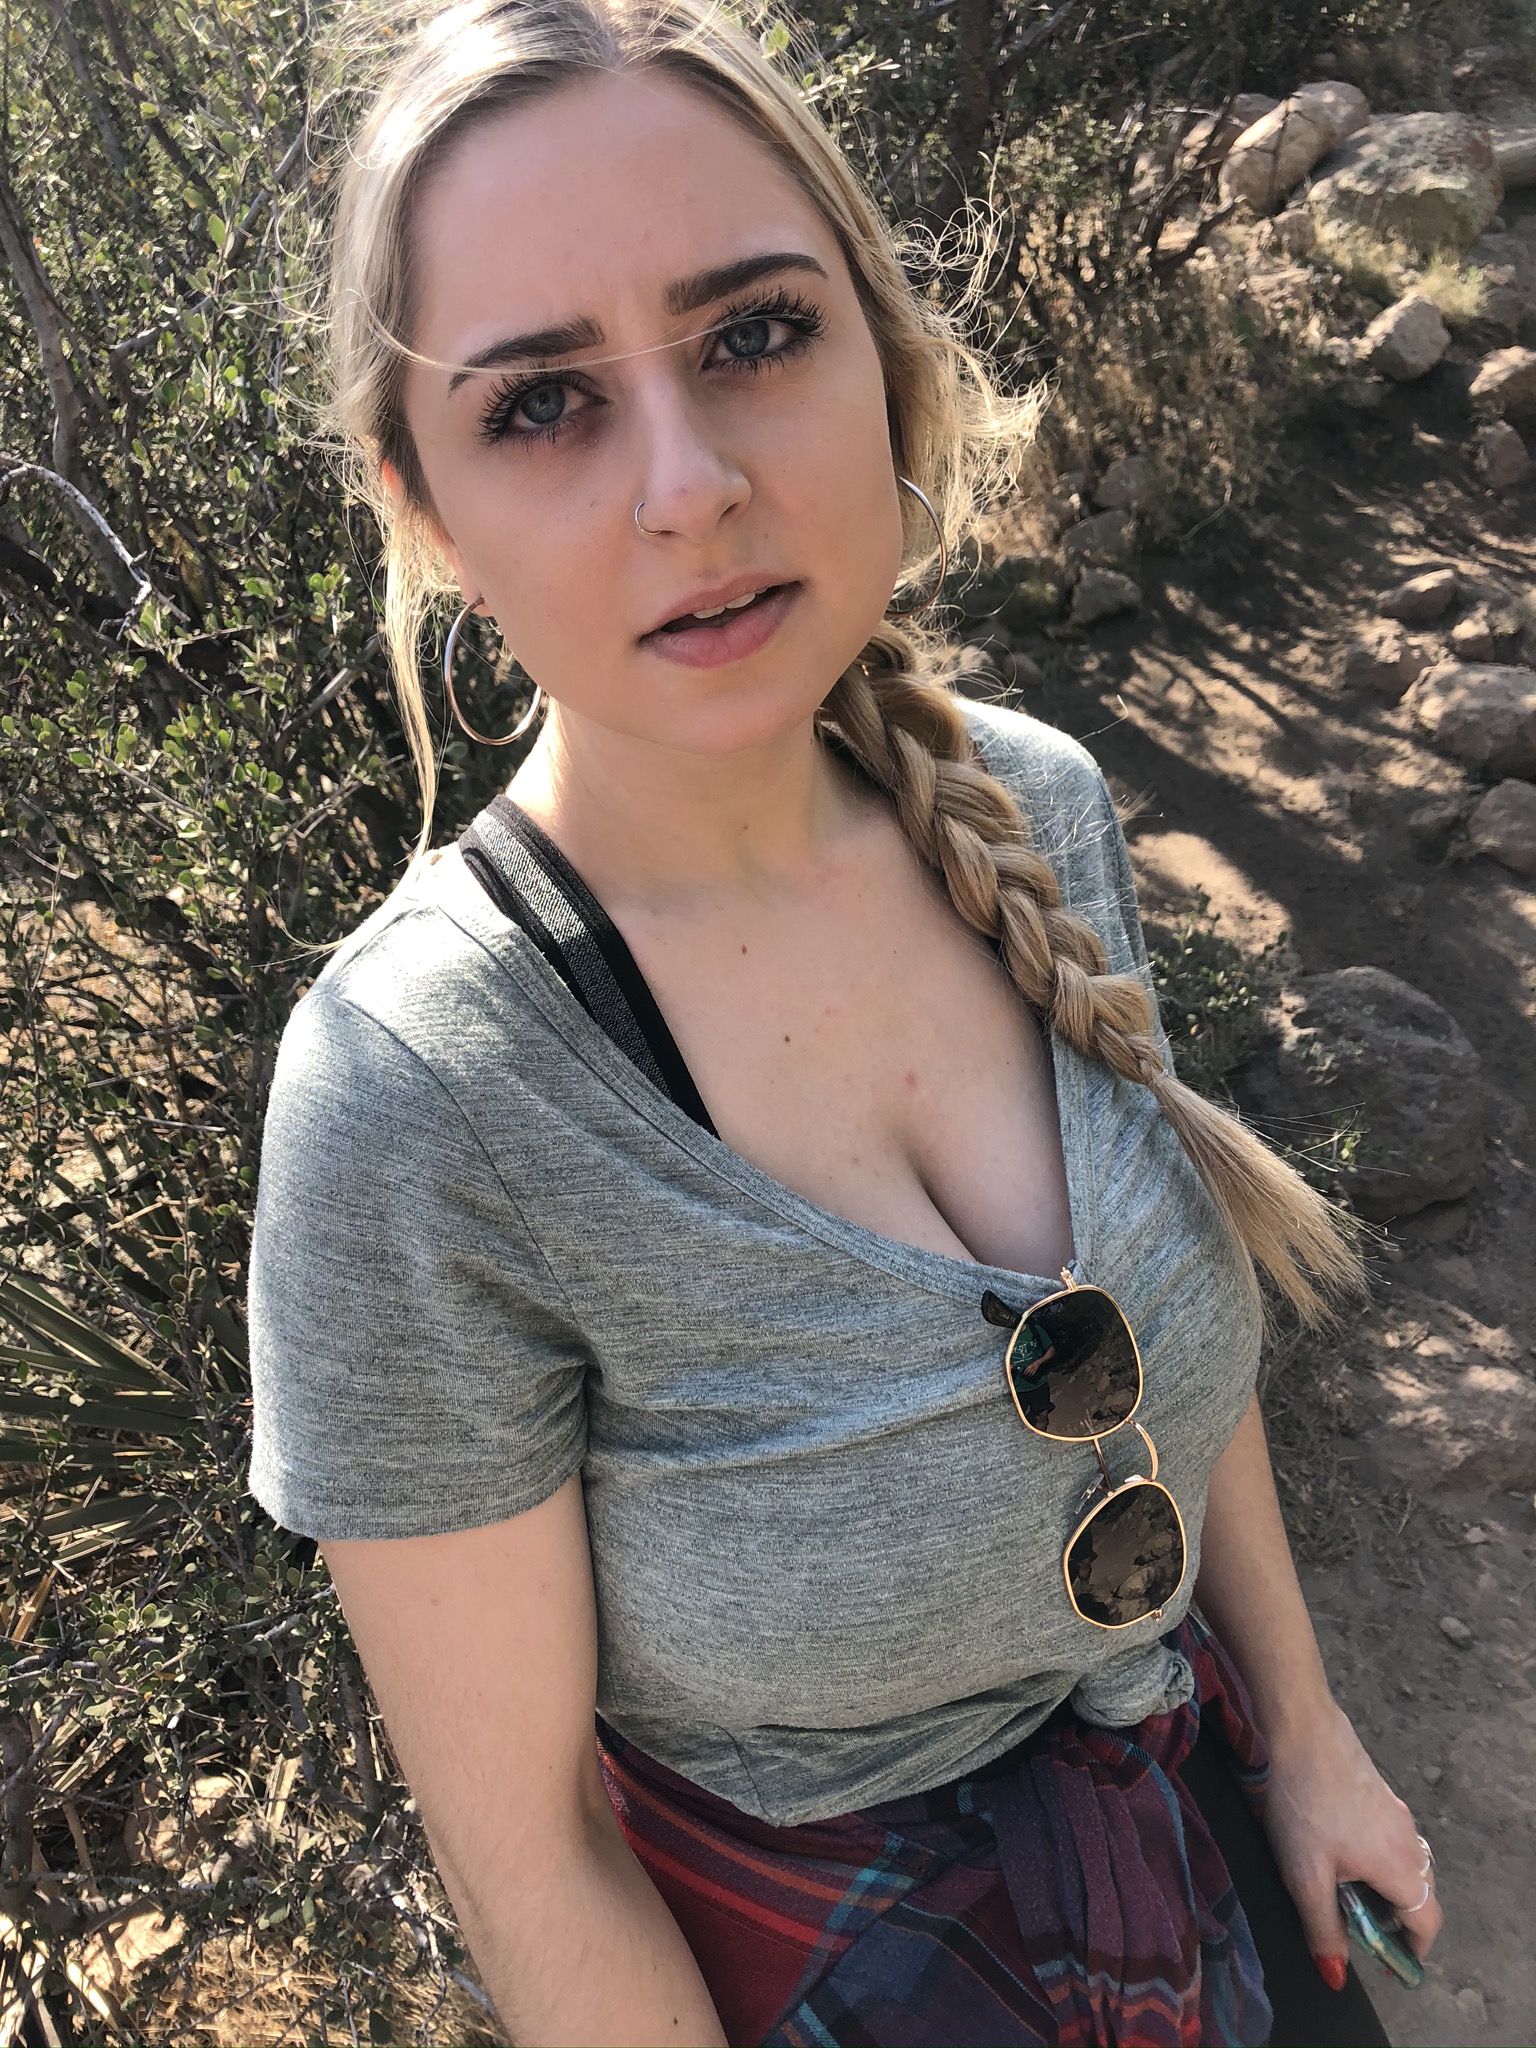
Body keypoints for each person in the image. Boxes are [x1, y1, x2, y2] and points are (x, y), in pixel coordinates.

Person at [247, 3, 1442, 2041]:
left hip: (1221, 1882)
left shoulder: (1031, 806)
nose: (690, 484)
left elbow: (1175, 1344)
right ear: (425, 510)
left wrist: (1310, 1733)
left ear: (880, 354)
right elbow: (537, 1860)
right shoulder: (420, 1100)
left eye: (754, 334)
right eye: (542, 405)